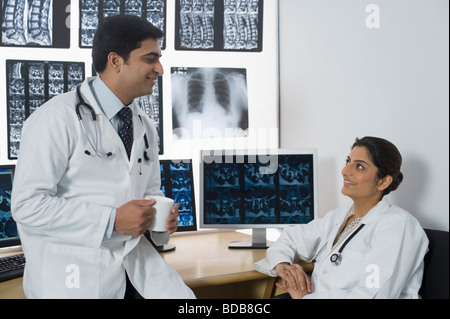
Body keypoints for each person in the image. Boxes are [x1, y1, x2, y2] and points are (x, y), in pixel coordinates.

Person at [11, 15, 195, 299]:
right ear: (115, 61)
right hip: (75, 279)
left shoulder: (143, 124)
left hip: (133, 270)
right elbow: (27, 205)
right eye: (150, 59)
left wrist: (162, 220)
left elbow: (149, 191)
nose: (159, 68)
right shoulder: (55, 118)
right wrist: (110, 221)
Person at [254, 137, 429, 299]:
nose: (345, 171)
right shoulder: (338, 217)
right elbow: (289, 239)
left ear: (383, 182)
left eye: (359, 166)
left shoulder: (398, 225)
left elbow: (375, 294)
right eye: (348, 162)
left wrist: (304, 298)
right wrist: (284, 266)